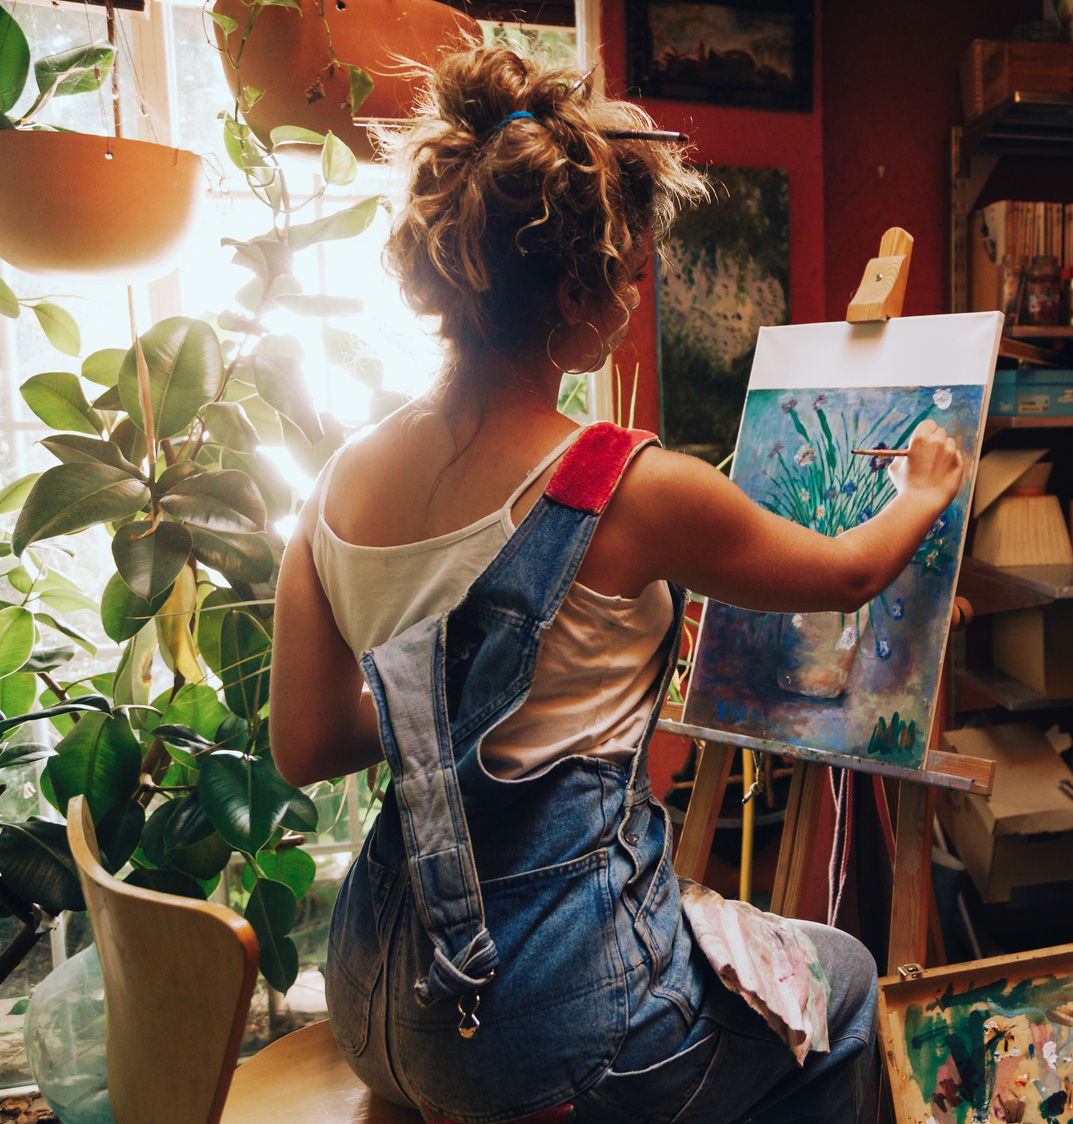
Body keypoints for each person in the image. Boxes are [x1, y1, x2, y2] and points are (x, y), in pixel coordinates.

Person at [269, 45, 962, 1124]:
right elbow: (851, 570)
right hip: (556, 1021)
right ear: (580, 292)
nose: (633, 298)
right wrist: (920, 488)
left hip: (377, 998)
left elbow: (306, 741)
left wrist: (453, 708)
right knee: (848, 984)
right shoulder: (623, 486)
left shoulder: (335, 484)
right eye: (630, 273)